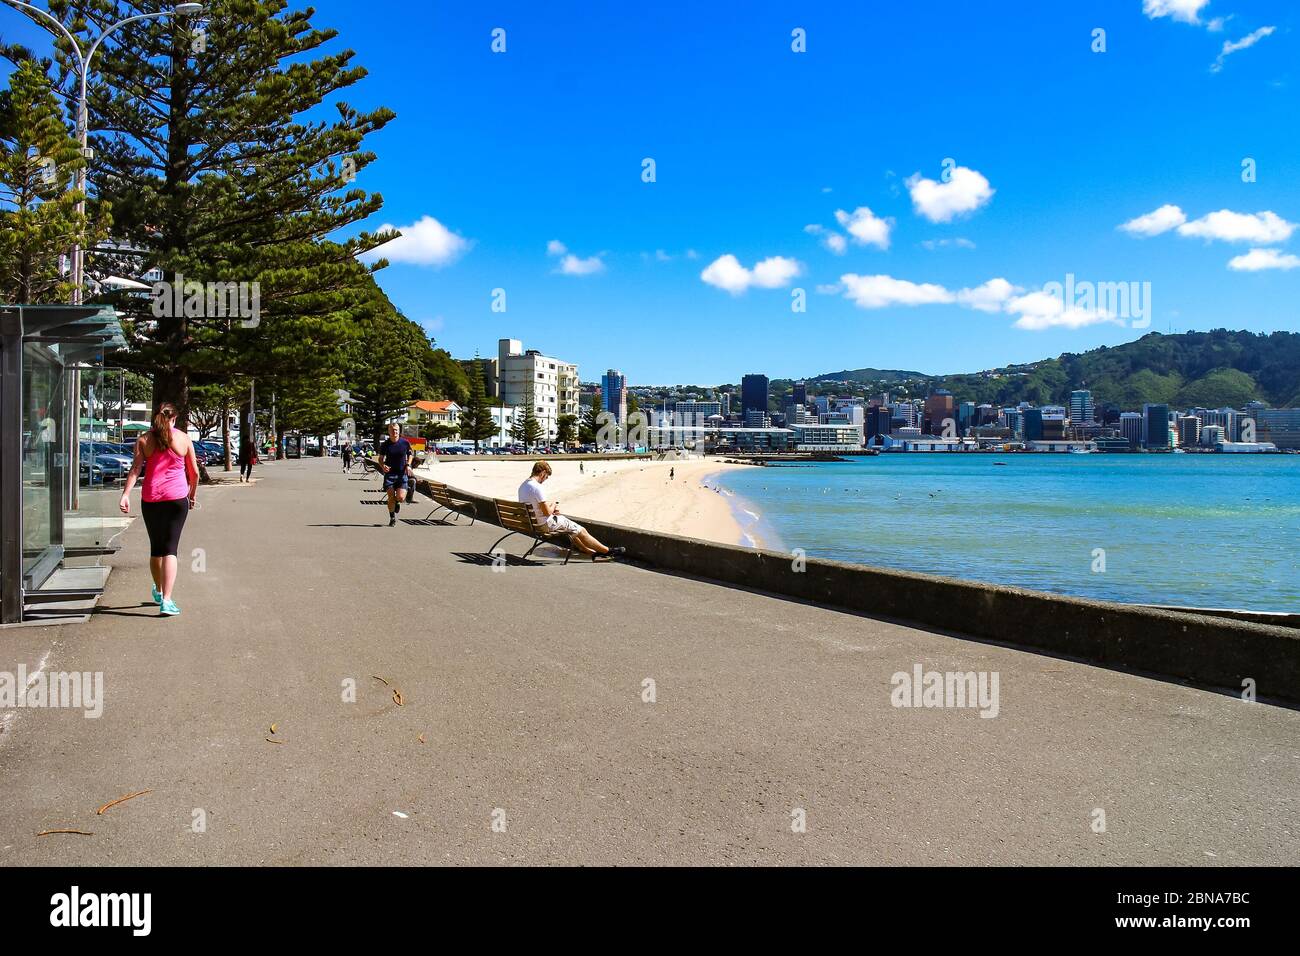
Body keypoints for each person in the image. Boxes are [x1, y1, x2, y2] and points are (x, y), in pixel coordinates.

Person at [119, 403, 198, 617]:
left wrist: (125, 494)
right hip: (176, 498)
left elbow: (136, 469)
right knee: (170, 549)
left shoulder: (144, 439)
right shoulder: (183, 438)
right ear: (174, 419)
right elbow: (195, 473)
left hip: (151, 498)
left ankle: (159, 589)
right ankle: (167, 600)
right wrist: (192, 495)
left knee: (156, 549)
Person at [518, 461, 624, 561]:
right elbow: (547, 512)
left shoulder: (523, 486)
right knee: (581, 530)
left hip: (531, 523)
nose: (546, 479)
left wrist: (550, 507)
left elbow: (538, 506)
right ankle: (608, 551)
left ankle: (589, 551)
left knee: (572, 528)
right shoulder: (537, 487)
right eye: (547, 476)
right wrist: (554, 505)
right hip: (543, 525)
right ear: (543, 473)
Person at [378, 423, 412, 527]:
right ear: (389, 431)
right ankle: (392, 518)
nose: (395, 432)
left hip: (402, 474)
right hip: (390, 475)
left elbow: (410, 455)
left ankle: (397, 502)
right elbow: (380, 459)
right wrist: (383, 465)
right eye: (392, 430)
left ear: (399, 431)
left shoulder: (405, 443)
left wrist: (408, 465)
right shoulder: (385, 444)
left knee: (401, 498)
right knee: (391, 496)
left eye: (396, 430)